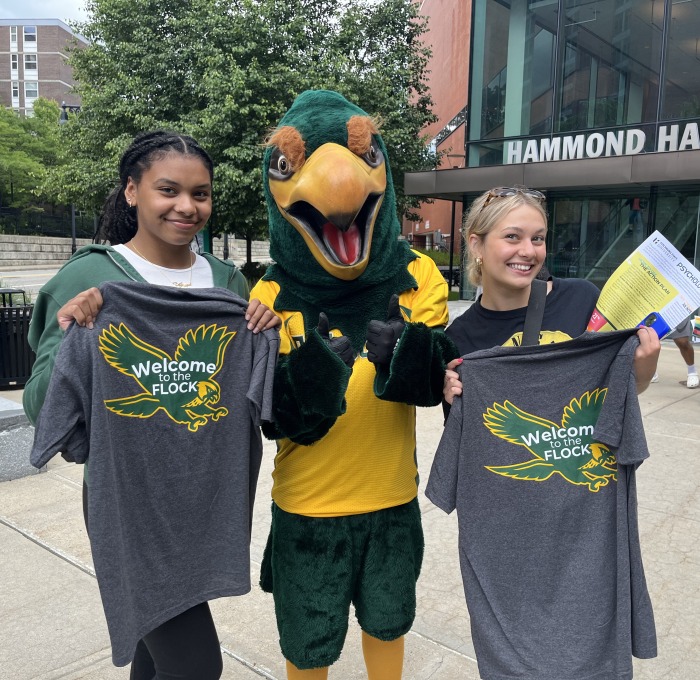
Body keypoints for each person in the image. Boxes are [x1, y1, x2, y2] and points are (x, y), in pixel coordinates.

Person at [24, 130, 280, 680]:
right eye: (169, 190)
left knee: (155, 651)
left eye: (201, 194)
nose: (187, 207)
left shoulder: (230, 282)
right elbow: (43, 406)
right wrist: (72, 329)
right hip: (133, 506)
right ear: (133, 191)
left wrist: (267, 331)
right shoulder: (91, 277)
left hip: (209, 499)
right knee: (196, 666)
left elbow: (265, 399)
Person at [433, 185, 660, 679]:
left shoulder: (583, 300)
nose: (528, 251)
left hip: (587, 515)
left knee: (591, 651)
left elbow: (621, 395)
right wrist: (452, 394)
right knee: (514, 659)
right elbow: (477, 448)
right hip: (510, 530)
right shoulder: (459, 338)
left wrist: (642, 366)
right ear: (476, 243)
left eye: (538, 238)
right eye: (512, 236)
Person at [650, 314, 698, 388]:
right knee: (649, 338)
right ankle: (651, 372)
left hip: (676, 307)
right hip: (655, 305)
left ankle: (692, 372)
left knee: (682, 341)